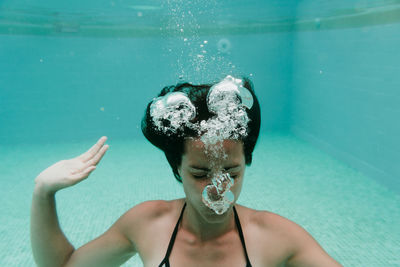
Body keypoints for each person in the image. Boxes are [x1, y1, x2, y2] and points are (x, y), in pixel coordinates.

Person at [30, 76, 342, 267]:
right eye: (200, 173)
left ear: (247, 161)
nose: (217, 189)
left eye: (232, 171)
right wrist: (44, 191)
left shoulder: (277, 237)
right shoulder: (146, 224)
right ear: (176, 167)